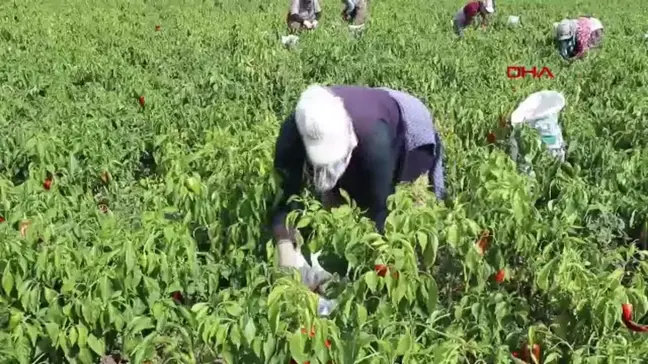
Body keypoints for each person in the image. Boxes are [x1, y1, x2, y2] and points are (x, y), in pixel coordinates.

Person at [271, 85, 445, 290]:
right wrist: (286, 249)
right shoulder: (294, 131)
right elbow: (284, 197)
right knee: (334, 205)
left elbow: (380, 211)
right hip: (365, 116)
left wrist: (369, 272)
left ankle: (415, 278)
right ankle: (336, 261)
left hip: (405, 123)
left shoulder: (374, 140)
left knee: (408, 211)